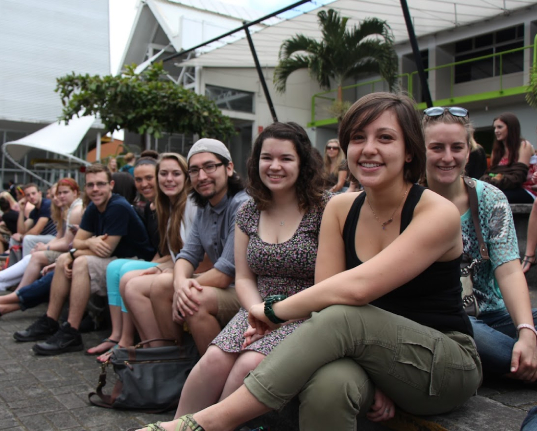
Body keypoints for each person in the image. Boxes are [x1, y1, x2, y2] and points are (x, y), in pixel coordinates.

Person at [134, 92, 483, 431]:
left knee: (343, 314)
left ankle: (209, 423)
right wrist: (382, 376)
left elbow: (355, 290)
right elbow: (323, 295)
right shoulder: (340, 208)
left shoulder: (437, 212)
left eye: (386, 137)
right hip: (367, 352)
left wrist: (269, 312)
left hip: (442, 360)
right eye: (358, 137)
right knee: (327, 387)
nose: (369, 148)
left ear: (409, 150)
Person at [173, 122, 330, 418]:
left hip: (305, 313)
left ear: (303, 162)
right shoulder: (249, 210)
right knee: (213, 360)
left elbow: (327, 285)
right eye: (267, 158)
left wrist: (276, 315)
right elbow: (244, 277)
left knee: (247, 364)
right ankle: (177, 426)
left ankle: (213, 424)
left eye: (286, 158)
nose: (275, 166)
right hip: (256, 308)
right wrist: (257, 311)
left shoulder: (325, 209)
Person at [423, 106, 537, 381]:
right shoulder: (408, 200)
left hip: (496, 314)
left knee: (525, 326)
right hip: (447, 321)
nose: (448, 157)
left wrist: (525, 330)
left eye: (457, 147)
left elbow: (508, 269)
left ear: (469, 149)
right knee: (474, 337)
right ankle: (519, 361)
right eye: (437, 148)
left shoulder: (489, 197)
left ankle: (516, 358)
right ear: (419, 148)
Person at [13, 163, 155, 355]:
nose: (95, 189)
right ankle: (50, 321)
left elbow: (104, 250)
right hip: (114, 259)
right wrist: (88, 244)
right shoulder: (94, 208)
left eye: (100, 184)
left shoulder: (118, 206)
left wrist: (77, 250)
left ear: (111, 185)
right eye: (90, 185)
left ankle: (71, 331)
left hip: (133, 260)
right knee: (65, 260)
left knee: (79, 261)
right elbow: (78, 242)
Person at [125, 139, 248, 356]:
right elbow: (188, 255)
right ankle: (174, 357)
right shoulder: (205, 206)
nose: (202, 176)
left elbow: (224, 275)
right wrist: (180, 283)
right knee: (164, 284)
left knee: (192, 298)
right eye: (194, 170)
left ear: (229, 168)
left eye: (210, 167)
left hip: (249, 291)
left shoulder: (241, 204)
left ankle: (211, 369)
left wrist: (182, 290)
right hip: (225, 287)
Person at [87, 154, 196, 358]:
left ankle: (150, 350)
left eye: (175, 173)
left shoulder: (190, 205)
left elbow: (193, 255)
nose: (168, 179)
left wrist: (160, 268)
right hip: (176, 264)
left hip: (190, 269)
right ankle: (131, 341)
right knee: (123, 273)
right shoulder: (164, 207)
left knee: (130, 277)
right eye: (163, 174)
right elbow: (167, 250)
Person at [0, 179, 82, 298]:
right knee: (19, 242)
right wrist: (21, 211)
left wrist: (45, 247)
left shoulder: (57, 207)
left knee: (30, 247)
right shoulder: (59, 209)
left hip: (69, 251)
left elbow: (42, 233)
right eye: (55, 195)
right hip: (62, 247)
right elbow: (21, 230)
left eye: (63, 193)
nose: (57, 197)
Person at [480, 113, 534, 203]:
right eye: (495, 128)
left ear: (511, 128)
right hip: (501, 189)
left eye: (500, 127)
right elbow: (491, 174)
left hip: (526, 190)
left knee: (495, 198)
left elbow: (518, 177)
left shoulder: (524, 145)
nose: (496, 131)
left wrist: (493, 181)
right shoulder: (496, 151)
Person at [12, 183, 58, 256]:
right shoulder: (34, 212)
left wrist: (21, 237)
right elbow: (20, 231)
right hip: (44, 237)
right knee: (14, 239)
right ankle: (14, 265)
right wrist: (21, 210)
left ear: (39, 193)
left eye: (33, 193)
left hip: (54, 237)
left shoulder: (47, 204)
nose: (31, 197)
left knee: (28, 239)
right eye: (28, 195)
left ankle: (26, 266)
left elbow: (36, 231)